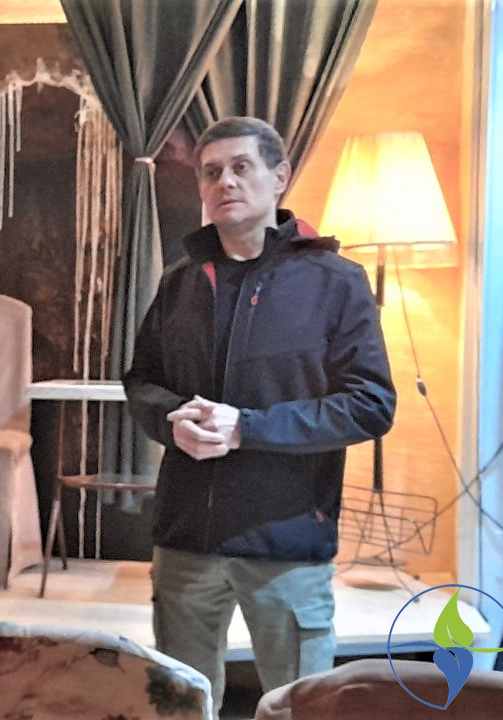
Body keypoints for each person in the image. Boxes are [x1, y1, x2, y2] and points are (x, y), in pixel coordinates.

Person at [123, 116, 395, 718]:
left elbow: (371, 403)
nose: (225, 182)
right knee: (180, 708)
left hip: (287, 542)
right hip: (186, 539)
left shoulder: (337, 282)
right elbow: (141, 381)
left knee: (301, 708)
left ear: (279, 178)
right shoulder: (179, 282)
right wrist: (171, 420)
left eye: (241, 167)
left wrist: (248, 427)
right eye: (211, 172)